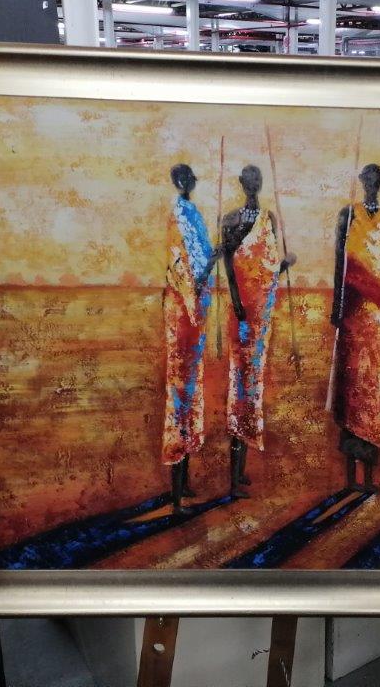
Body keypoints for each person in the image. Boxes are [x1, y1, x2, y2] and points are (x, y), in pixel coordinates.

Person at [222, 164, 296, 498]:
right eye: (249, 180)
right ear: (241, 183)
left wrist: (284, 265)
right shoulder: (231, 220)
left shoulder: (269, 219)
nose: (253, 184)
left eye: (257, 180)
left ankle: (241, 470)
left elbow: (268, 270)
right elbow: (228, 264)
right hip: (241, 316)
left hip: (261, 316)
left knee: (253, 388)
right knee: (239, 387)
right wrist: (237, 302)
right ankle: (233, 476)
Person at [330, 163, 380, 494]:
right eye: (367, 179)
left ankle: (369, 477)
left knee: (376, 393)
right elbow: (339, 263)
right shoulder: (348, 215)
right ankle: (349, 479)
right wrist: (336, 307)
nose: (372, 184)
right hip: (353, 314)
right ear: (361, 181)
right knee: (351, 389)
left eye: (376, 179)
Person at [162, 164, 221, 515]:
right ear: (179, 182)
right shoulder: (179, 217)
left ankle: (183, 482)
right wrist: (213, 260)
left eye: (191, 179)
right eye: (184, 179)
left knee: (189, 394)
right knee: (180, 396)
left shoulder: (193, 214)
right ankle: (175, 495)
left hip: (193, 314)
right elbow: (185, 273)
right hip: (183, 314)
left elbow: (201, 269)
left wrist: (212, 260)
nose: (189, 183)